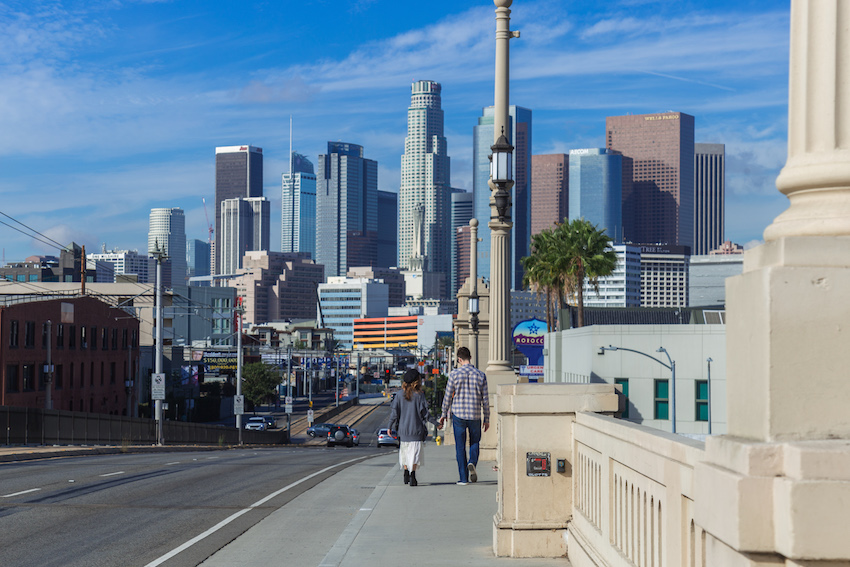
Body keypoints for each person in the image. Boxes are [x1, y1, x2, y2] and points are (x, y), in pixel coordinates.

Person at [439, 346, 489, 485]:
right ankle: (472, 462)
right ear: (470, 358)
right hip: (475, 415)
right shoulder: (481, 375)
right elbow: (485, 399)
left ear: (459, 359)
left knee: (460, 447)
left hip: (459, 415)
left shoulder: (454, 375)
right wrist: (487, 418)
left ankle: (463, 478)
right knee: (475, 442)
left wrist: (444, 414)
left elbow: (448, 397)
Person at [389, 368, 440, 487]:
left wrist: (389, 426)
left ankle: (406, 470)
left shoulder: (398, 395)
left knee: (405, 453)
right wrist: (436, 423)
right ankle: (412, 475)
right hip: (416, 431)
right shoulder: (419, 396)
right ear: (417, 381)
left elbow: (394, 413)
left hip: (403, 431)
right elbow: (425, 414)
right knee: (415, 454)